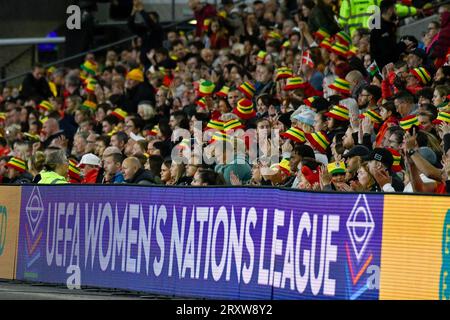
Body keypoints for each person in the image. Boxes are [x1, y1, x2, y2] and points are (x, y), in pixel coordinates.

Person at [128, 0, 164, 70]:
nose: (147, 20)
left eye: (151, 18)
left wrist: (141, 10)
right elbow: (130, 25)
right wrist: (133, 11)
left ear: (156, 20)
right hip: (144, 62)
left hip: (155, 61)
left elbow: (149, 22)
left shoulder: (158, 29)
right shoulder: (144, 30)